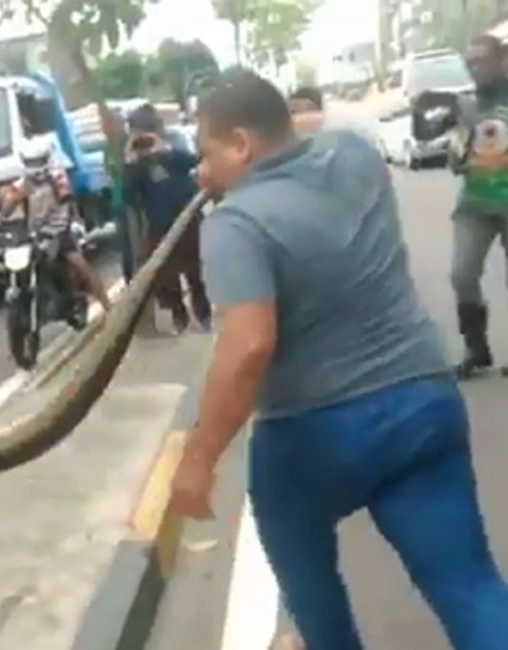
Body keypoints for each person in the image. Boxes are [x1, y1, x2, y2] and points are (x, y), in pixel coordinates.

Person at [168, 71, 508, 650]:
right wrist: (231, 161)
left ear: (242, 144)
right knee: (468, 585)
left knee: (307, 578)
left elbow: (249, 346)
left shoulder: (234, 224)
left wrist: (198, 459)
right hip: (421, 402)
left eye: (206, 151)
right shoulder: (354, 155)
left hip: (314, 433)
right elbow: (303, 128)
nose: (202, 169)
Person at [448, 34, 508, 379]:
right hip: (474, 203)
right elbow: (457, 157)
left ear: (501, 60)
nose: (474, 69)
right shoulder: (466, 105)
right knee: (462, 274)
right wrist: (458, 155)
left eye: (480, 61)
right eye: (469, 63)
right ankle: (476, 348)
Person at [122, 105, 211, 332]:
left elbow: (195, 161)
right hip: (159, 224)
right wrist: (132, 163)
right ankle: (179, 316)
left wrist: (164, 150)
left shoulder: (175, 142)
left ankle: (203, 314)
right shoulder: (137, 161)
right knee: (167, 277)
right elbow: (128, 196)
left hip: (188, 218)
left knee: (196, 271)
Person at [0, 140, 113, 312]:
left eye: (38, 162)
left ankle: (108, 306)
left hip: (60, 230)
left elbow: (65, 195)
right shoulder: (23, 184)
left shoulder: (57, 178)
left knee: (79, 264)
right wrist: (5, 210)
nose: (34, 166)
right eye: (30, 162)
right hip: (34, 234)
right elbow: (8, 202)